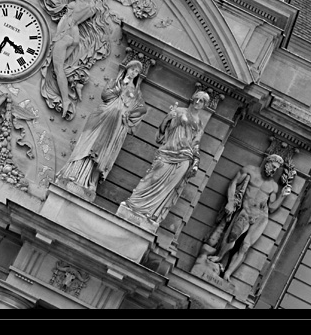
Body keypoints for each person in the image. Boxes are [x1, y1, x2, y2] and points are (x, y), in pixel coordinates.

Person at [46, 0, 123, 118]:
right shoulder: (96, 4)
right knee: (61, 66)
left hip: (66, 32)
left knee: (57, 68)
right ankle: (75, 82)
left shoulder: (80, 0)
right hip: (75, 35)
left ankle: (65, 98)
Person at [120, 90, 210, 225]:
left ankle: (151, 213)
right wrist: (168, 118)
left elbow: (195, 143)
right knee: (152, 178)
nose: (197, 102)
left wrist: (196, 163)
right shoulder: (179, 111)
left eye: (201, 101)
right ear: (192, 99)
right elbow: (162, 131)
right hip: (168, 151)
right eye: (196, 99)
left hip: (185, 157)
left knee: (167, 187)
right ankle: (133, 204)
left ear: (204, 105)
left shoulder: (199, 124)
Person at [56, 60, 147, 192]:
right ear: (127, 69)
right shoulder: (115, 82)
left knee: (102, 152)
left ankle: (89, 181)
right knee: (88, 146)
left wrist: (128, 114)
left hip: (116, 126)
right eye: (133, 69)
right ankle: (74, 173)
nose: (134, 73)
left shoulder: (136, 93)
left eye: (137, 72)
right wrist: (121, 86)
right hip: (102, 117)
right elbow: (105, 95)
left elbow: (142, 109)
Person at [207, 153, 292, 281]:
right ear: (267, 162)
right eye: (272, 166)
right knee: (232, 237)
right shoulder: (250, 171)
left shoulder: (273, 186)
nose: (274, 170)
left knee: (245, 246)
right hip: (245, 212)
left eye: (276, 169)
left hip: (261, 217)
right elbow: (233, 183)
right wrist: (230, 201)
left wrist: (283, 195)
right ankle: (219, 256)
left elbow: (272, 207)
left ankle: (228, 273)